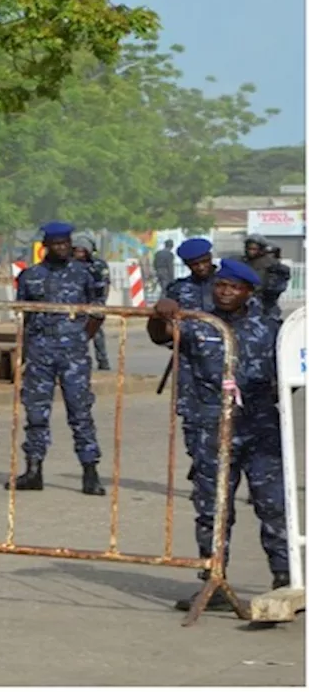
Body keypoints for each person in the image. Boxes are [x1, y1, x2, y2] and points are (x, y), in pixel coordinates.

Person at [147, 259, 290, 611]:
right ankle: (214, 580)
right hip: (210, 430)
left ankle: (286, 578)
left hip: (259, 431)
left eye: (234, 287)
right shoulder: (199, 322)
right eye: (221, 285)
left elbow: (289, 378)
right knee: (212, 508)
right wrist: (160, 314)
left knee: (272, 505)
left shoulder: (270, 327)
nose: (225, 292)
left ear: (248, 292)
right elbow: (161, 336)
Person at [8, 221, 107, 496]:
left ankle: (90, 472)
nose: (63, 248)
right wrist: (26, 351)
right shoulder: (30, 276)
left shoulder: (84, 274)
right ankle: (34, 470)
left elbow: (97, 312)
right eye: (57, 244)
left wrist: (80, 338)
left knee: (80, 412)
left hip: (73, 353)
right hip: (40, 352)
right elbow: (25, 315)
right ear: (46, 247)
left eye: (66, 244)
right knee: (36, 412)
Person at [151, 238, 217, 483]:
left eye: (204, 262)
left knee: (231, 426)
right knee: (192, 422)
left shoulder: (227, 284)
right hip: (190, 364)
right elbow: (162, 327)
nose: (200, 267)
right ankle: (200, 462)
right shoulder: (178, 289)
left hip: (226, 365)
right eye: (194, 264)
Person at [72, 236, 112, 371]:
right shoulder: (69, 264)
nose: (79, 254)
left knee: (97, 332)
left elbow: (105, 284)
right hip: (75, 303)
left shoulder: (99, 265)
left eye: (82, 251)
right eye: (76, 251)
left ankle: (103, 360)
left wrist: (101, 303)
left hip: (95, 301)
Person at [235, 235, 290, 320]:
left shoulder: (273, 266)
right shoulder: (241, 262)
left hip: (265, 305)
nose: (251, 252)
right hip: (242, 303)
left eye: (254, 249)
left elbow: (275, 288)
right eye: (249, 248)